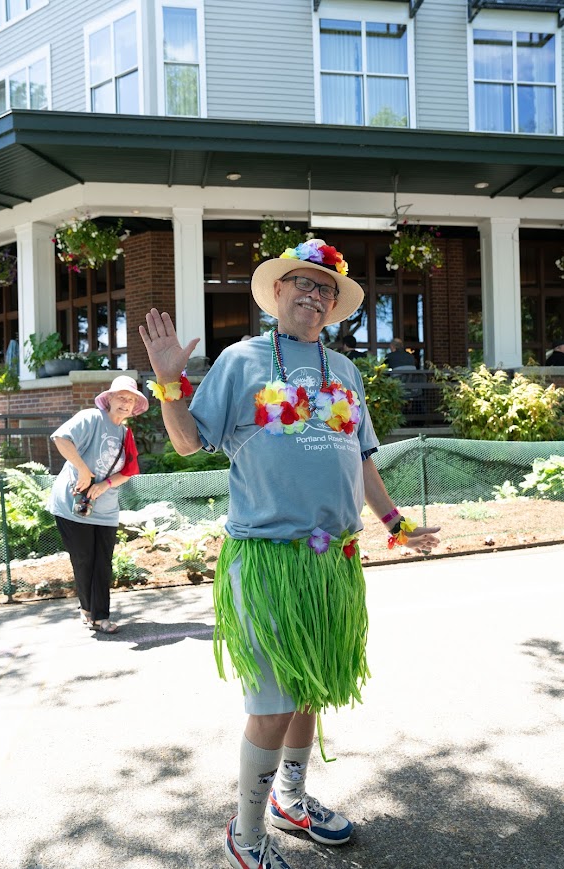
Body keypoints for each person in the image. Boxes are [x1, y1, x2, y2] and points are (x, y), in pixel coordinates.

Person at [139, 238, 440, 869]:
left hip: (331, 563)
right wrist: (169, 379)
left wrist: (395, 523)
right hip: (267, 560)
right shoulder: (242, 360)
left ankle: (291, 800)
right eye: (301, 283)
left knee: (310, 692)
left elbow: (361, 462)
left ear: (335, 305)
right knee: (273, 707)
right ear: (276, 292)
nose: (313, 293)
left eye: (325, 288)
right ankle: (246, 836)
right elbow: (191, 443)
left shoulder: (346, 372)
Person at [48, 375, 148, 634]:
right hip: (73, 504)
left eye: (131, 399)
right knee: (83, 559)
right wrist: (82, 470)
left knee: (102, 562)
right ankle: (88, 611)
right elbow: (61, 438)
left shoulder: (126, 433)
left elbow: (129, 470)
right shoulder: (91, 418)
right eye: (121, 397)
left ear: (135, 405)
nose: (125, 403)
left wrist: (105, 485)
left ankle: (100, 615)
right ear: (110, 398)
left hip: (105, 509)